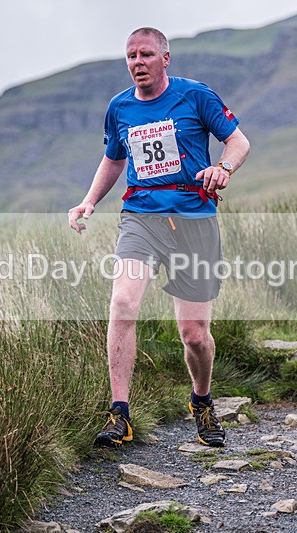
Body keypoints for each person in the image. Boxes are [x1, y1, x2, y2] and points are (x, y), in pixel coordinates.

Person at [67, 27, 250, 448]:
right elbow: (114, 159)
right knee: (123, 301)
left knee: (194, 335)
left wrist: (224, 168)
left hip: (193, 220)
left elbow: (238, 141)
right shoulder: (120, 108)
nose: (137, 62)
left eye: (146, 54)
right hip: (141, 219)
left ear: (165, 58)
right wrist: (89, 202)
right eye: (130, 56)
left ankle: (201, 401)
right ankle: (119, 414)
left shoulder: (195, 96)